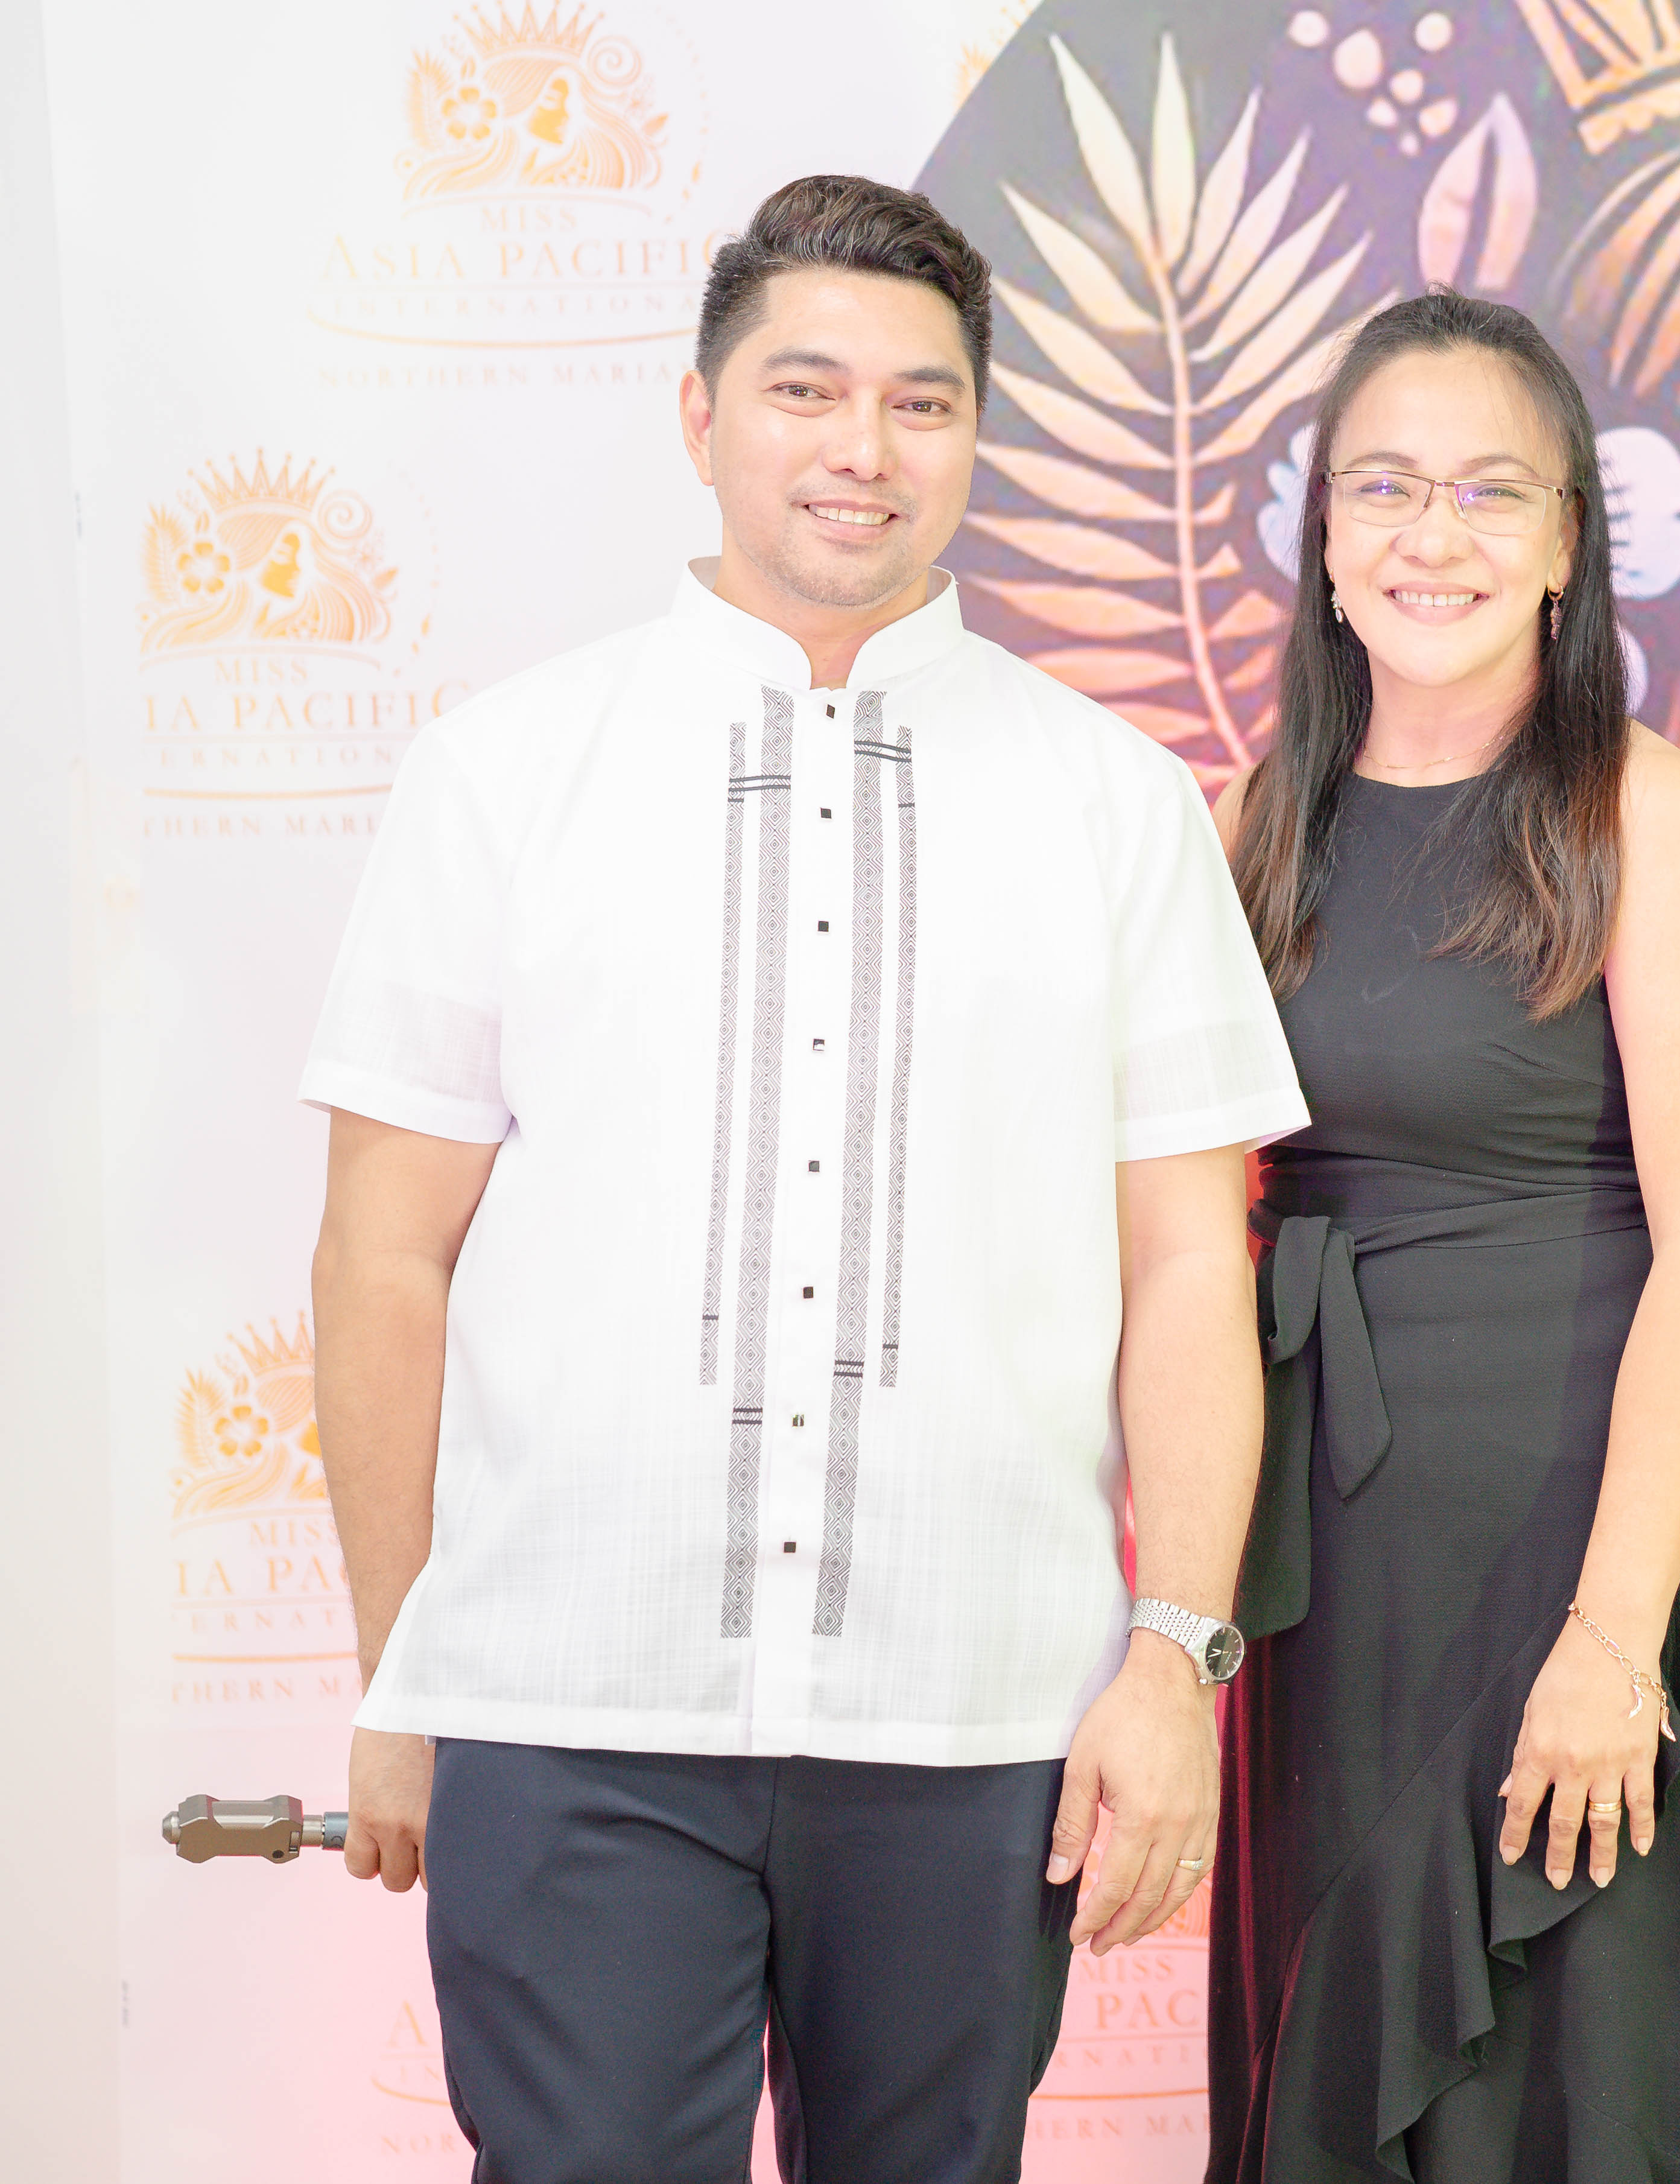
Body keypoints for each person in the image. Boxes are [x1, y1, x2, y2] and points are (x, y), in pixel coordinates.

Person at [305, 175, 1305, 2179]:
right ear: (701, 417)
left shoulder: (1111, 801)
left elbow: (1192, 1269)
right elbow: (383, 1258)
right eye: (806, 388)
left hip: (974, 1721)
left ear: (975, 438)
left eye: (924, 402)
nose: (863, 449)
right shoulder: (507, 771)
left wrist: (1173, 1657)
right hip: (570, 1704)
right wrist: (406, 1668)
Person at [1202, 293, 1680, 2184]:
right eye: (1384, 486)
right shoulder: (1256, 822)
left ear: (1569, 540)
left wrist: (1613, 1638)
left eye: (1491, 490)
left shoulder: (1651, 815)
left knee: (1581, 2070)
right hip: (1322, 1560)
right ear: (1322, 535)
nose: (1433, 533)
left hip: (1579, 1544)